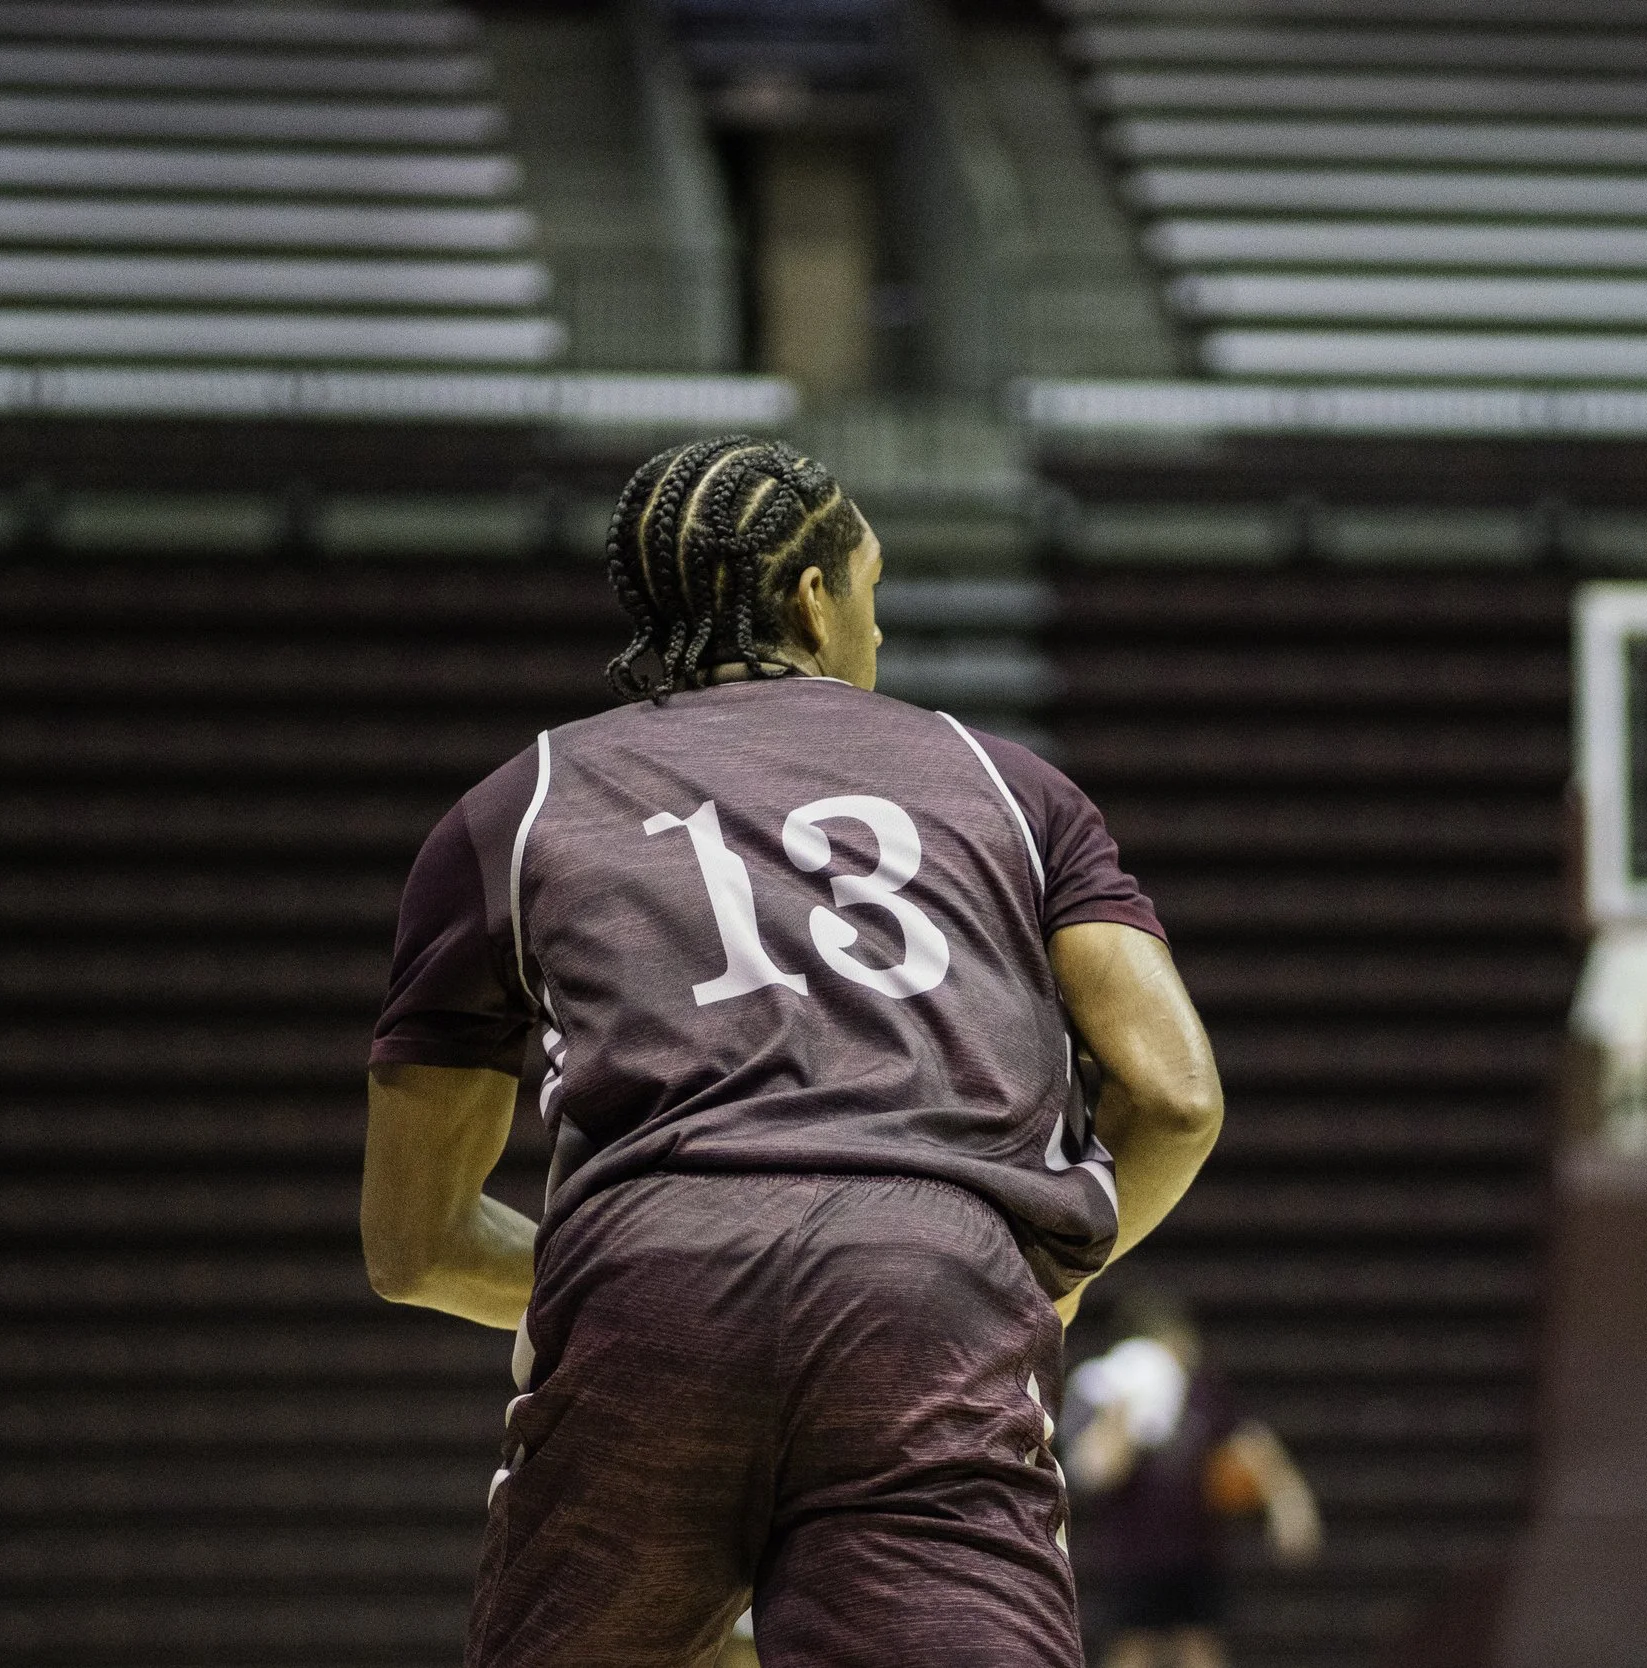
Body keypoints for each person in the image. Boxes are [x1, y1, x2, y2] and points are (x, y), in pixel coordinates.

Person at [359, 435, 1225, 1668]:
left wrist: (624, 1284)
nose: (876, 635)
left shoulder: (518, 804)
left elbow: (414, 1245)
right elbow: (1177, 1097)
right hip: (932, 1287)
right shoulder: (1008, 783)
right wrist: (1029, 1262)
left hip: (649, 1293)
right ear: (816, 599)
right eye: (871, 590)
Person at [1064, 1290, 1322, 1668]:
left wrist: (1290, 1505)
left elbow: (1252, 1444)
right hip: (1134, 1554)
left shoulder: (1203, 1391)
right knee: (1133, 1650)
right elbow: (1097, 1472)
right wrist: (1122, 1415)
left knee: (1200, 1647)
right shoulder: (1106, 1394)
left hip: (1197, 1548)